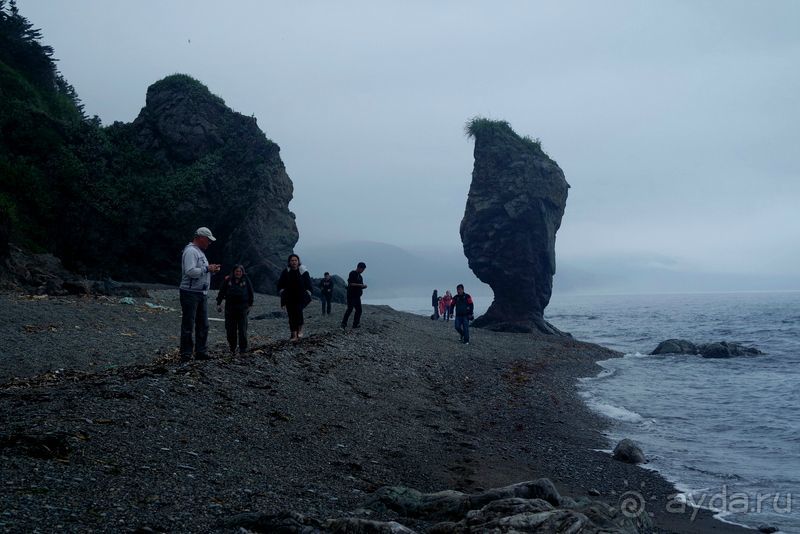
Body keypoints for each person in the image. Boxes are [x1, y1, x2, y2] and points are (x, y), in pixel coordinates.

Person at [179, 227, 221, 362]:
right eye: (208, 240)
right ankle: (186, 353)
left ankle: (200, 351)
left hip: (200, 293)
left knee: (203, 324)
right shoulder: (191, 251)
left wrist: (210, 270)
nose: (209, 243)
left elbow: (201, 271)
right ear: (201, 238)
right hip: (190, 293)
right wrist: (207, 268)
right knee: (189, 324)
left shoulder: (199, 252)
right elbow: (190, 271)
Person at [216, 264, 254, 355]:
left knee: (242, 329)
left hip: (242, 309)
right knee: (230, 329)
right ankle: (232, 347)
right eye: (237, 271)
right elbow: (222, 291)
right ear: (234, 272)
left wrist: (250, 305)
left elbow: (251, 292)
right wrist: (219, 303)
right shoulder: (228, 280)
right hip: (230, 309)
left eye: (240, 271)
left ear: (242, 272)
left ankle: (243, 349)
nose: (238, 273)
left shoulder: (246, 280)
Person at [277, 254, 313, 341]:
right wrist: (282, 293)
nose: (294, 262)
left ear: (298, 261)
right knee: (291, 316)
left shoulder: (303, 271)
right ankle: (294, 335)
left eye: (295, 260)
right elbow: (280, 285)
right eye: (292, 260)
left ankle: (299, 331)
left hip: (301, 297)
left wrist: (308, 294)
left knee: (298, 313)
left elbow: (309, 285)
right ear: (289, 262)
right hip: (289, 298)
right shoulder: (286, 272)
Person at [341, 262, 367, 329]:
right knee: (350, 309)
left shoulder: (360, 277)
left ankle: (355, 324)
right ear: (359, 267)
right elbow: (351, 284)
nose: (363, 271)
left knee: (359, 310)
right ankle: (343, 324)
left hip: (357, 296)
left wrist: (363, 286)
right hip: (351, 295)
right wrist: (360, 285)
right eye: (362, 269)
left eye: (364, 270)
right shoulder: (352, 273)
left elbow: (360, 286)